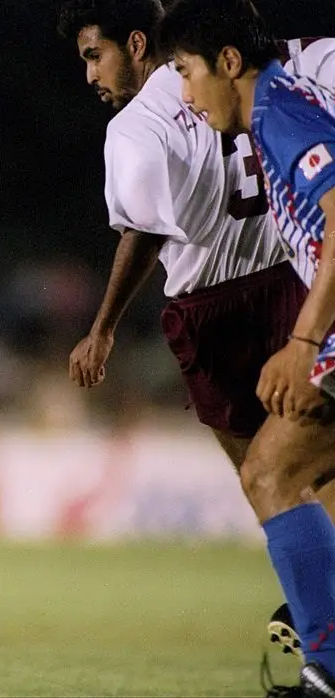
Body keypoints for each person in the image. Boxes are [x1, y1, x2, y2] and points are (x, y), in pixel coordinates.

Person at [58, 0, 335, 661]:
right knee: (305, 470)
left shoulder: (152, 124)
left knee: (271, 473)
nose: (185, 90)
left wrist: (102, 328)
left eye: (95, 56)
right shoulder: (303, 68)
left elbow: (146, 227)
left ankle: (324, 650)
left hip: (231, 309)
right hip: (295, 287)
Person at [158, 0, 335, 694]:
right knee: (279, 474)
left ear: (230, 63)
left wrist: (302, 342)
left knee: (271, 474)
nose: (185, 94)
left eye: (185, 71)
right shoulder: (278, 112)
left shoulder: (283, 112)